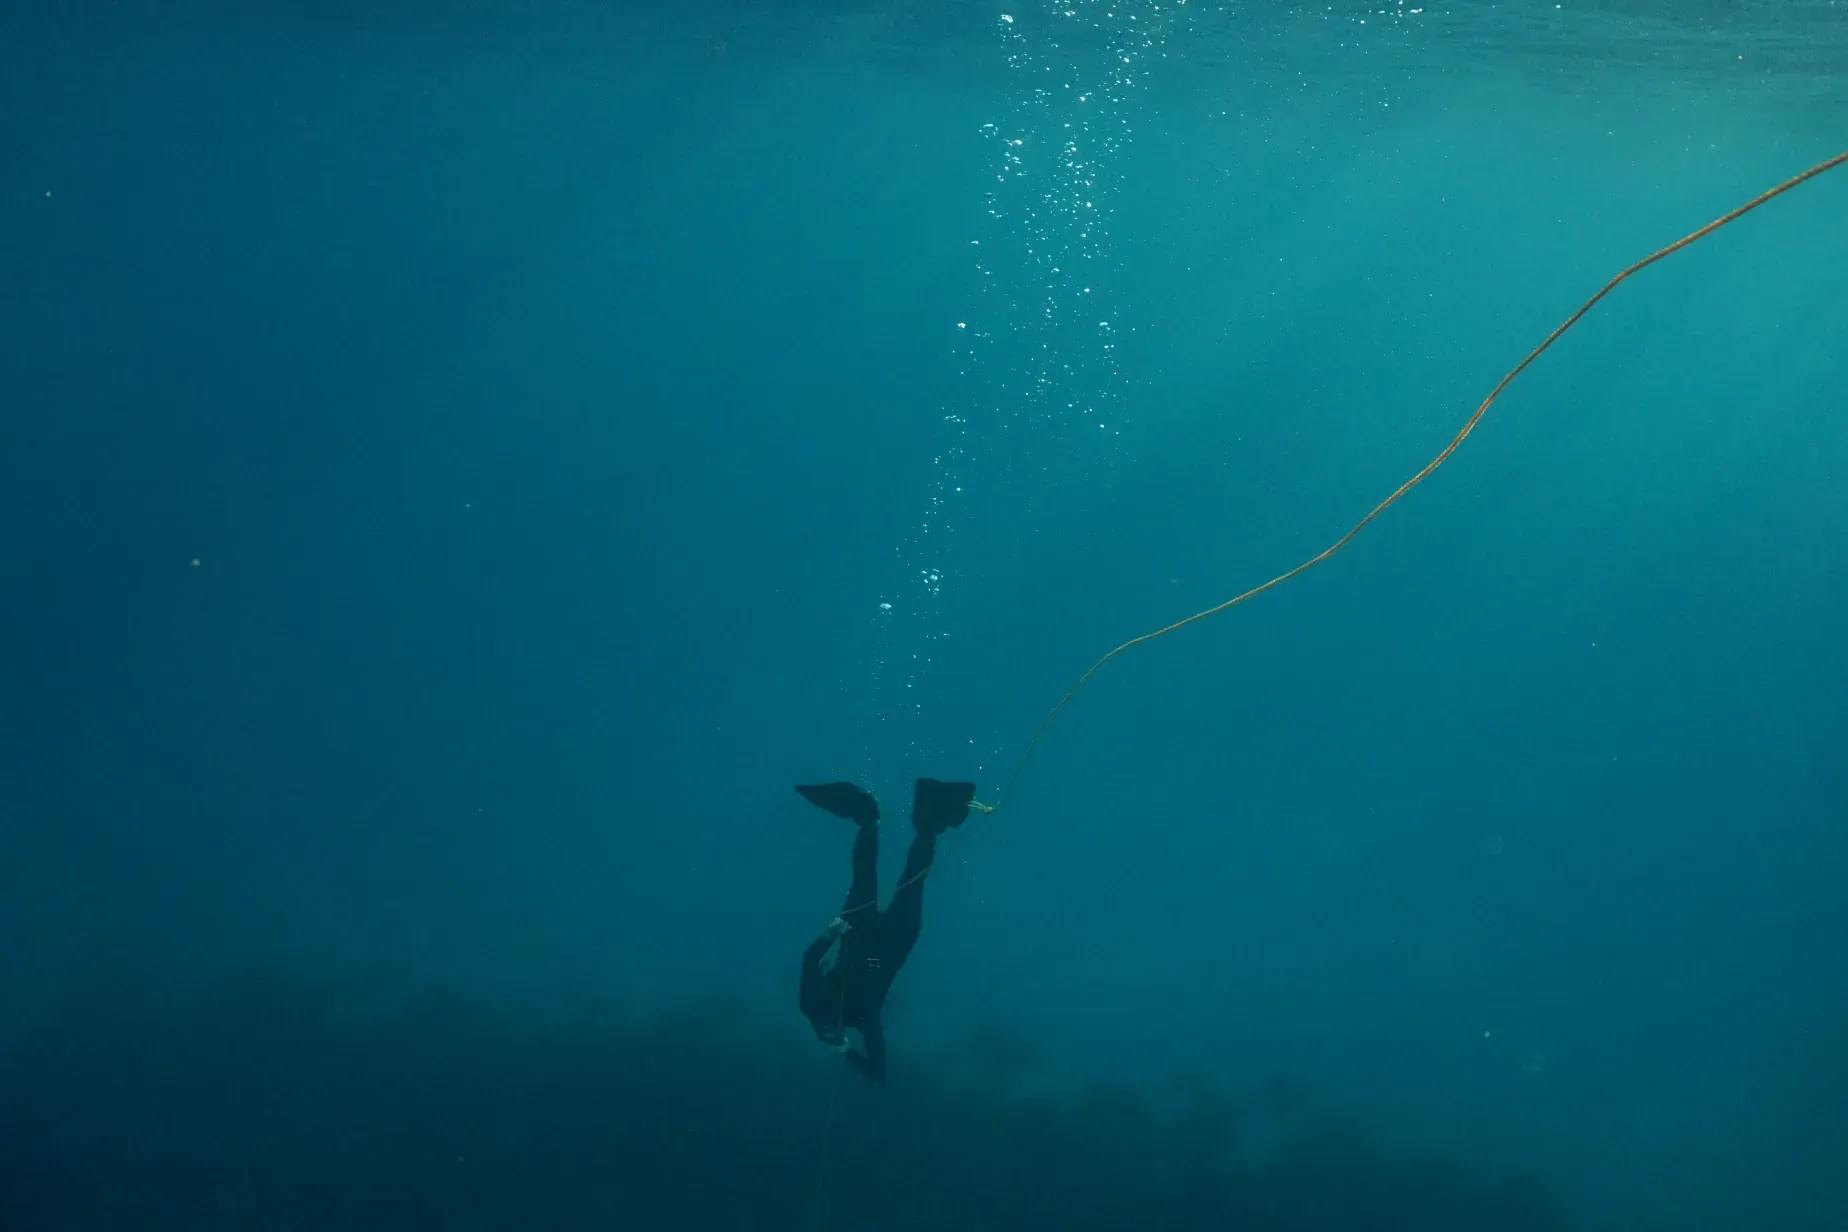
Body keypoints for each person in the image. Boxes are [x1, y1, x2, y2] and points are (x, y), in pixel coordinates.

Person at [794, 777, 976, 1081]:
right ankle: (929, 822)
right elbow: (877, 1073)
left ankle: (869, 818)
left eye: (825, 1032)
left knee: (864, 876)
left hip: (859, 933)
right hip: (896, 940)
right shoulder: (864, 1021)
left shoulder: (812, 1004)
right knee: (913, 880)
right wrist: (846, 1052)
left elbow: (809, 959)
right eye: (831, 1035)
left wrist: (832, 933)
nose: (828, 1030)